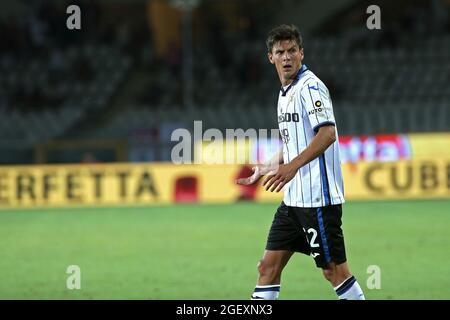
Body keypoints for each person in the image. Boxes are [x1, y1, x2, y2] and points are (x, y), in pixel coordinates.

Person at [236, 24, 365, 300]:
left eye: (292, 50)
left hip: (317, 200)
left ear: (301, 53)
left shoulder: (311, 87)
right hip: (293, 203)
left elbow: (327, 133)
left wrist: (291, 168)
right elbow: (295, 140)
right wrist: (271, 164)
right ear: (270, 57)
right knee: (267, 268)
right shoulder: (285, 93)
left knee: (334, 272)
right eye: (280, 52)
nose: (286, 57)